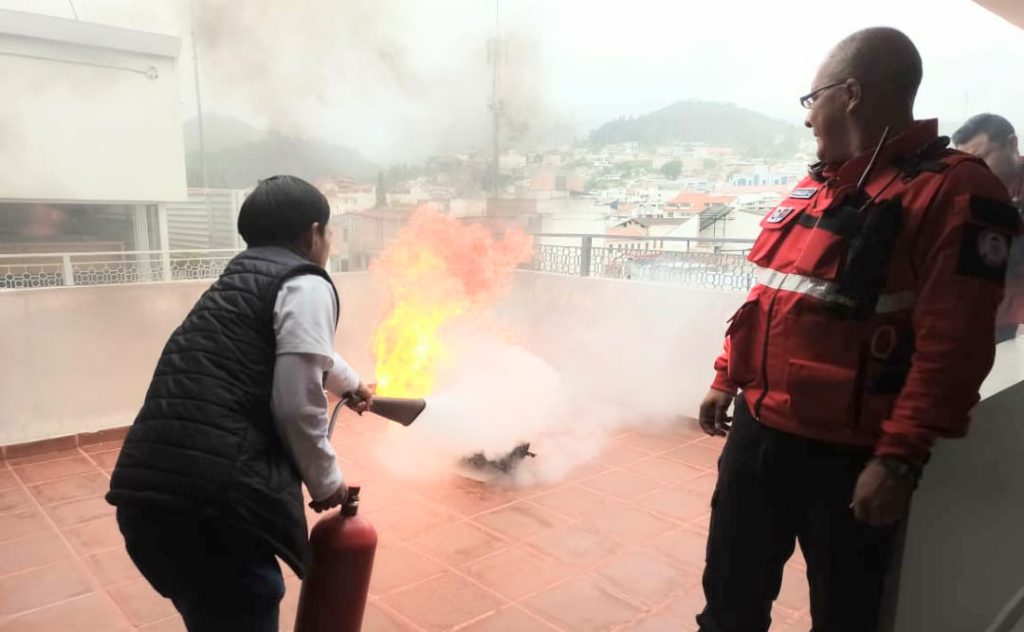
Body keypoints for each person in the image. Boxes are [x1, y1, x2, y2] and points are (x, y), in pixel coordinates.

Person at [696, 28, 1019, 632]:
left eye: (809, 100)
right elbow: (769, 296)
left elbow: (955, 346)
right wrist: (726, 376)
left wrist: (898, 459)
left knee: (846, 617)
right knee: (729, 606)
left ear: (849, 93)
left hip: (848, 459)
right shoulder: (818, 183)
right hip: (758, 436)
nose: (807, 119)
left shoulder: (955, 191)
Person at [106, 175, 374, 632]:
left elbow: (303, 350)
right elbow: (296, 402)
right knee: (243, 604)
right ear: (313, 234)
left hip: (148, 499)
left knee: (218, 614)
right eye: (328, 233)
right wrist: (327, 481)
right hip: (210, 507)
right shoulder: (307, 282)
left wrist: (351, 385)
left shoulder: (239, 280)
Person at [953, 113, 1024, 342]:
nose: (975, 171)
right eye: (968, 164)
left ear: (1012, 144)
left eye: (982, 158)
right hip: (978, 312)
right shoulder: (967, 189)